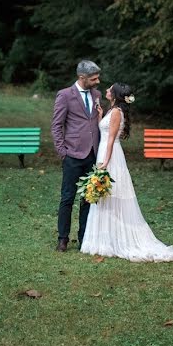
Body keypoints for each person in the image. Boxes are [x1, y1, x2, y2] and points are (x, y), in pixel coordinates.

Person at [81, 83, 173, 262]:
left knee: (111, 193)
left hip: (111, 155)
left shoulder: (116, 112)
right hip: (105, 152)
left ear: (115, 94)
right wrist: (100, 116)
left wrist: (105, 162)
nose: (106, 90)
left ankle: (116, 239)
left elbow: (111, 139)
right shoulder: (112, 110)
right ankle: (105, 239)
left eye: (110, 89)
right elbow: (105, 131)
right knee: (106, 196)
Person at [51, 60, 103, 252]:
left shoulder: (97, 95)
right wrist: (62, 152)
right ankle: (63, 239)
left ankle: (84, 238)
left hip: (92, 154)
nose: (98, 81)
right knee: (67, 198)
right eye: (94, 78)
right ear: (82, 78)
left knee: (89, 198)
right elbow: (56, 125)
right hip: (72, 154)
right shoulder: (65, 95)